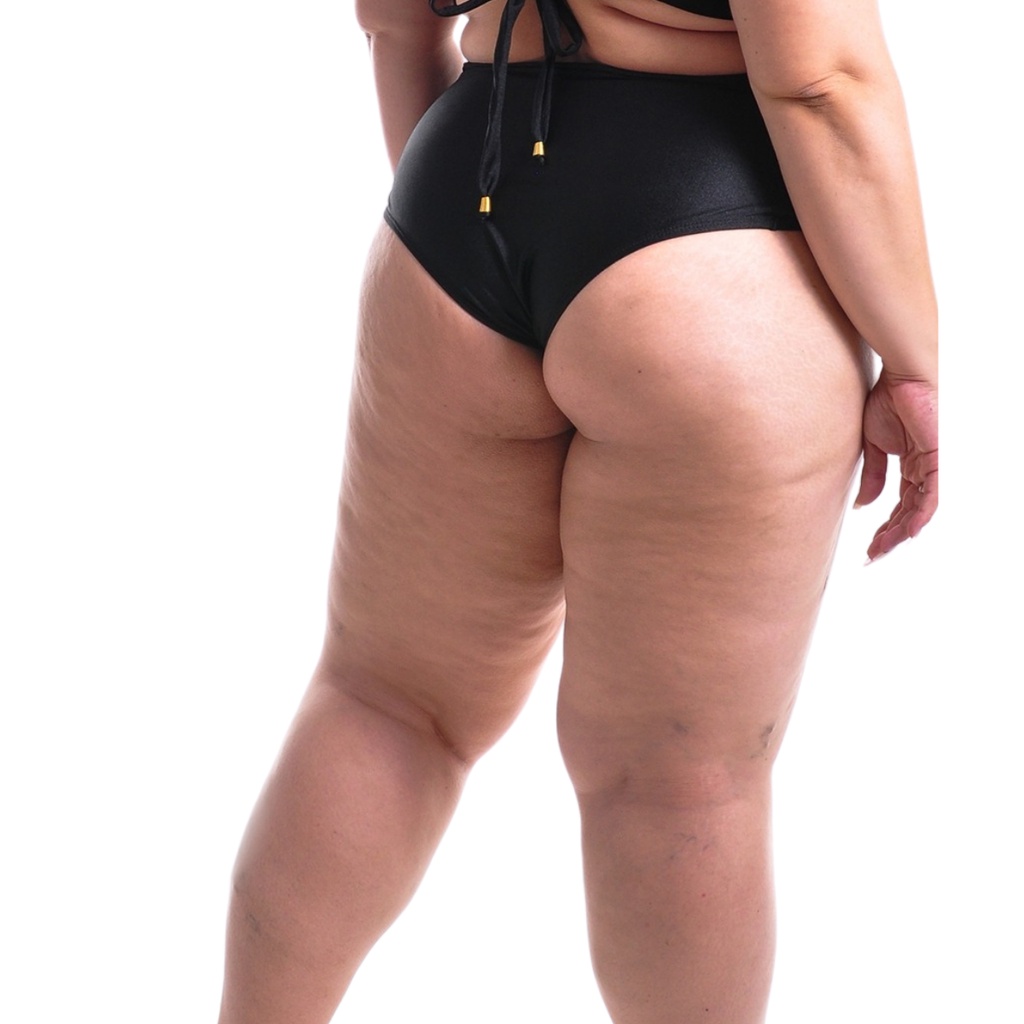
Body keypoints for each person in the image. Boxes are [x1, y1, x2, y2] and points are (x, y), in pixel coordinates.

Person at [217, 0, 938, 1020]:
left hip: (457, 194)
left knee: (382, 705)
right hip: (708, 243)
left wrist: (474, 247)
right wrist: (913, 359)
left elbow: (392, 20)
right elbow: (821, 81)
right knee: (681, 783)